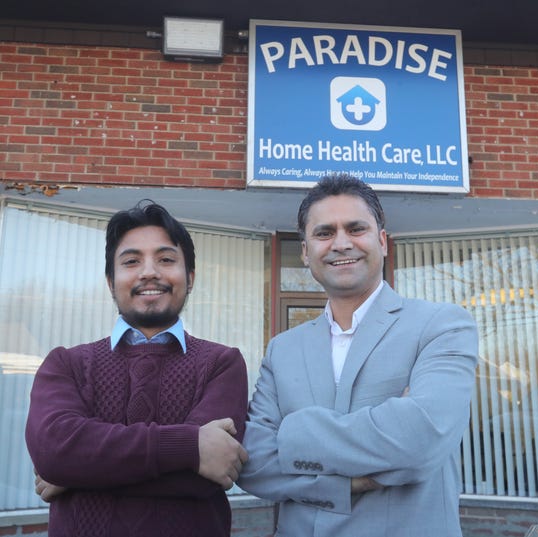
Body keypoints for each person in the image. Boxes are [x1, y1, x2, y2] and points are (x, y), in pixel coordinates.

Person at [237, 174, 479, 537]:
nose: (341, 243)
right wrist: (347, 482)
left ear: (381, 241)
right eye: (324, 233)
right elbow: (253, 463)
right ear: (305, 252)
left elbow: (419, 439)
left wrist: (291, 435)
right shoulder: (282, 349)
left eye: (356, 228)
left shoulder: (441, 326)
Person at [25, 200, 248, 537]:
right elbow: (53, 453)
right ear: (110, 281)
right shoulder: (66, 363)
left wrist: (76, 472)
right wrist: (189, 447)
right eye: (131, 261)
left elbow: (209, 474)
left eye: (166, 259)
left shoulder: (222, 363)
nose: (149, 272)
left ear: (190, 277)